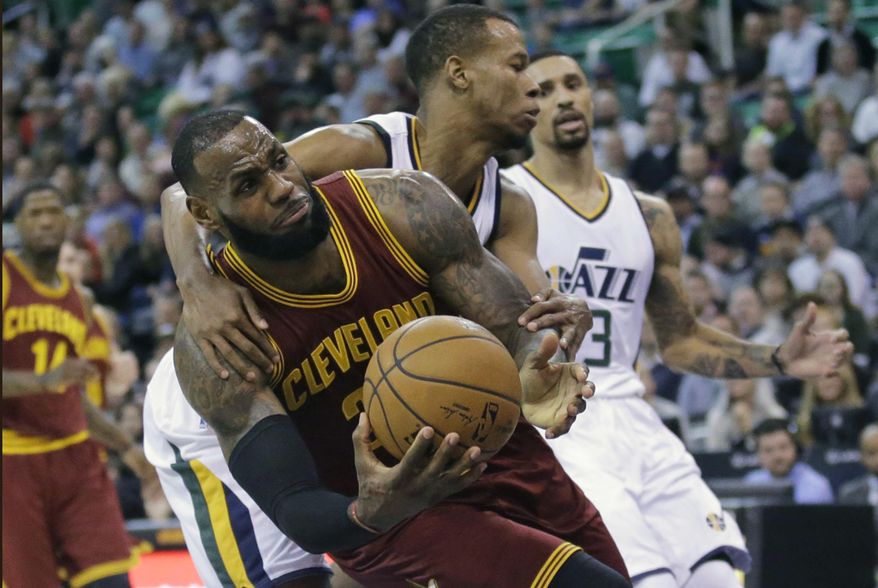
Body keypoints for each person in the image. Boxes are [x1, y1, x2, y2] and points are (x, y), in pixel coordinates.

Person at [149, 7, 597, 585]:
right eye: (517, 67)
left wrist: (557, 332)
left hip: (378, 384)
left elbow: (526, 319)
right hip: (237, 364)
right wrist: (198, 285)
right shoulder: (358, 154)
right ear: (460, 75)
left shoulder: (505, 204)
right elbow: (181, 195)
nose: (534, 85)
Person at [501, 51, 854, 588]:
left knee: (718, 575)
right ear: (524, 108)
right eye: (544, 90)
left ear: (594, 96)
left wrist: (779, 359)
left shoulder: (648, 213)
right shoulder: (502, 199)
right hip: (557, 420)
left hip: (633, 412)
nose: (564, 97)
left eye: (573, 83)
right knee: (651, 581)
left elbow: (682, 341)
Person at [2, 182, 156, 588]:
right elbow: (51, 382)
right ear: (17, 223)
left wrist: (125, 446)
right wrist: (43, 380)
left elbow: (72, 397)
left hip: (77, 459)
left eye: (53, 211)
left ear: (68, 222)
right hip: (14, 461)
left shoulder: (80, 301)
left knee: (111, 580)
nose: (46, 221)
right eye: (34, 213)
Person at [744, 418, 834, 504]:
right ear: (758, 455)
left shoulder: (816, 485)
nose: (777, 456)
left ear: (796, 448)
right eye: (768, 450)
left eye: (783, 447)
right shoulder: (750, 483)